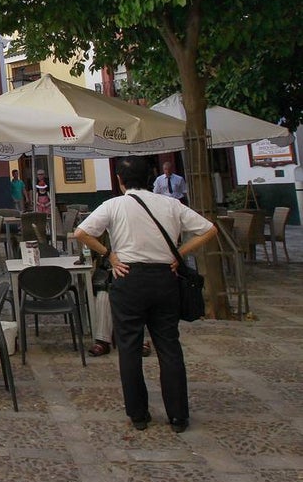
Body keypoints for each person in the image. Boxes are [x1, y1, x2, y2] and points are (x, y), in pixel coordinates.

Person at [74, 156, 217, 433]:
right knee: (169, 347)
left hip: (129, 278)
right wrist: (180, 254)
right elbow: (209, 229)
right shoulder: (171, 204)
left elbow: (81, 232)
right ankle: (178, 416)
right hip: (165, 277)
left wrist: (110, 255)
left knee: (129, 347)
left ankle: (138, 415)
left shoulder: (113, 205)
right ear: (152, 179)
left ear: (120, 180)